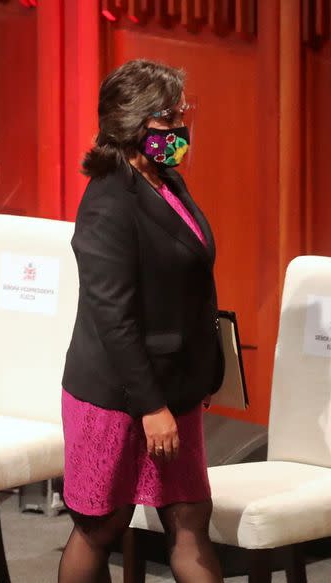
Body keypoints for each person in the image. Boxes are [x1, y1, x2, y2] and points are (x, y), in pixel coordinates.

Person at [59, 60, 224, 583]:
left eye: (180, 114)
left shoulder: (166, 180)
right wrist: (152, 408)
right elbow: (114, 318)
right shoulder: (109, 202)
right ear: (131, 125)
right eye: (166, 118)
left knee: (190, 517)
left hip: (174, 387)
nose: (179, 129)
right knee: (101, 524)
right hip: (119, 396)